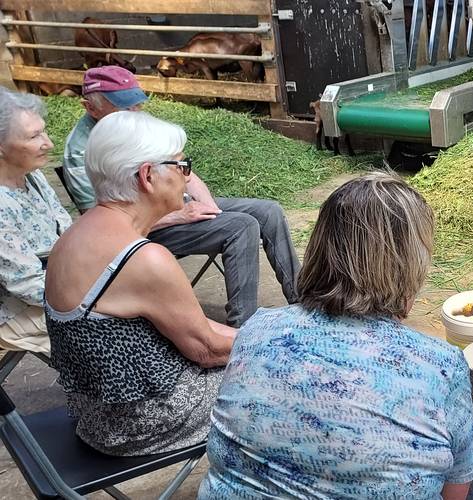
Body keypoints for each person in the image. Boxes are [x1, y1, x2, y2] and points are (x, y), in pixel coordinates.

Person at [199, 172, 473, 500]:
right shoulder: (440, 364)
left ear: (318, 247)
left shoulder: (255, 329)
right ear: (408, 264)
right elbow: (454, 492)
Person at [44, 111, 236, 456]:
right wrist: (276, 343)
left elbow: (192, 326)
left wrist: (263, 330)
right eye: (182, 166)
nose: (186, 176)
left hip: (97, 414)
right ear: (148, 175)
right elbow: (208, 351)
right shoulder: (142, 258)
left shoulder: (74, 236)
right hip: (144, 422)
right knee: (288, 375)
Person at [63, 65, 299, 327]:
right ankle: (243, 327)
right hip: (144, 226)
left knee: (269, 211)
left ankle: (303, 302)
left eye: (136, 104)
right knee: (241, 227)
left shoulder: (132, 123)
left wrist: (208, 206)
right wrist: (179, 216)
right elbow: (101, 225)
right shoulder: (80, 152)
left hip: (173, 203)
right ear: (90, 108)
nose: (134, 112)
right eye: (123, 106)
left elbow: (183, 171)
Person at [0, 87, 71, 354]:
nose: (49, 143)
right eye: (34, 136)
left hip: (59, 281)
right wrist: (94, 295)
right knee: (117, 322)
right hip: (19, 309)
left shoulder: (31, 174)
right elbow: (26, 285)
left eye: (43, 131)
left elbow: (65, 231)